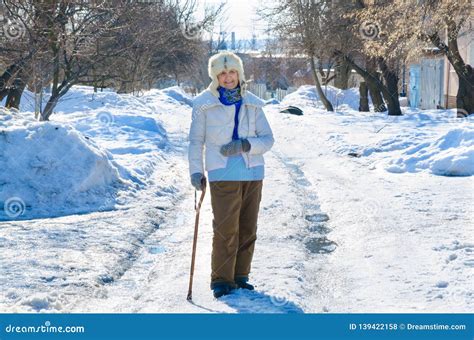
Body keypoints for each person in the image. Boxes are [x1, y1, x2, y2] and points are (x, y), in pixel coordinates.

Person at [188, 51, 274, 298]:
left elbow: (268, 139)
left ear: (240, 73)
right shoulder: (203, 104)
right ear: (215, 76)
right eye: (222, 73)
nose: (228, 77)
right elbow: (195, 141)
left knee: (248, 228)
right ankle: (221, 280)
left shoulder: (253, 103)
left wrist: (246, 144)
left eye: (232, 72)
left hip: (253, 173)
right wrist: (196, 171)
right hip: (222, 174)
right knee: (226, 228)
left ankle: (240, 276)